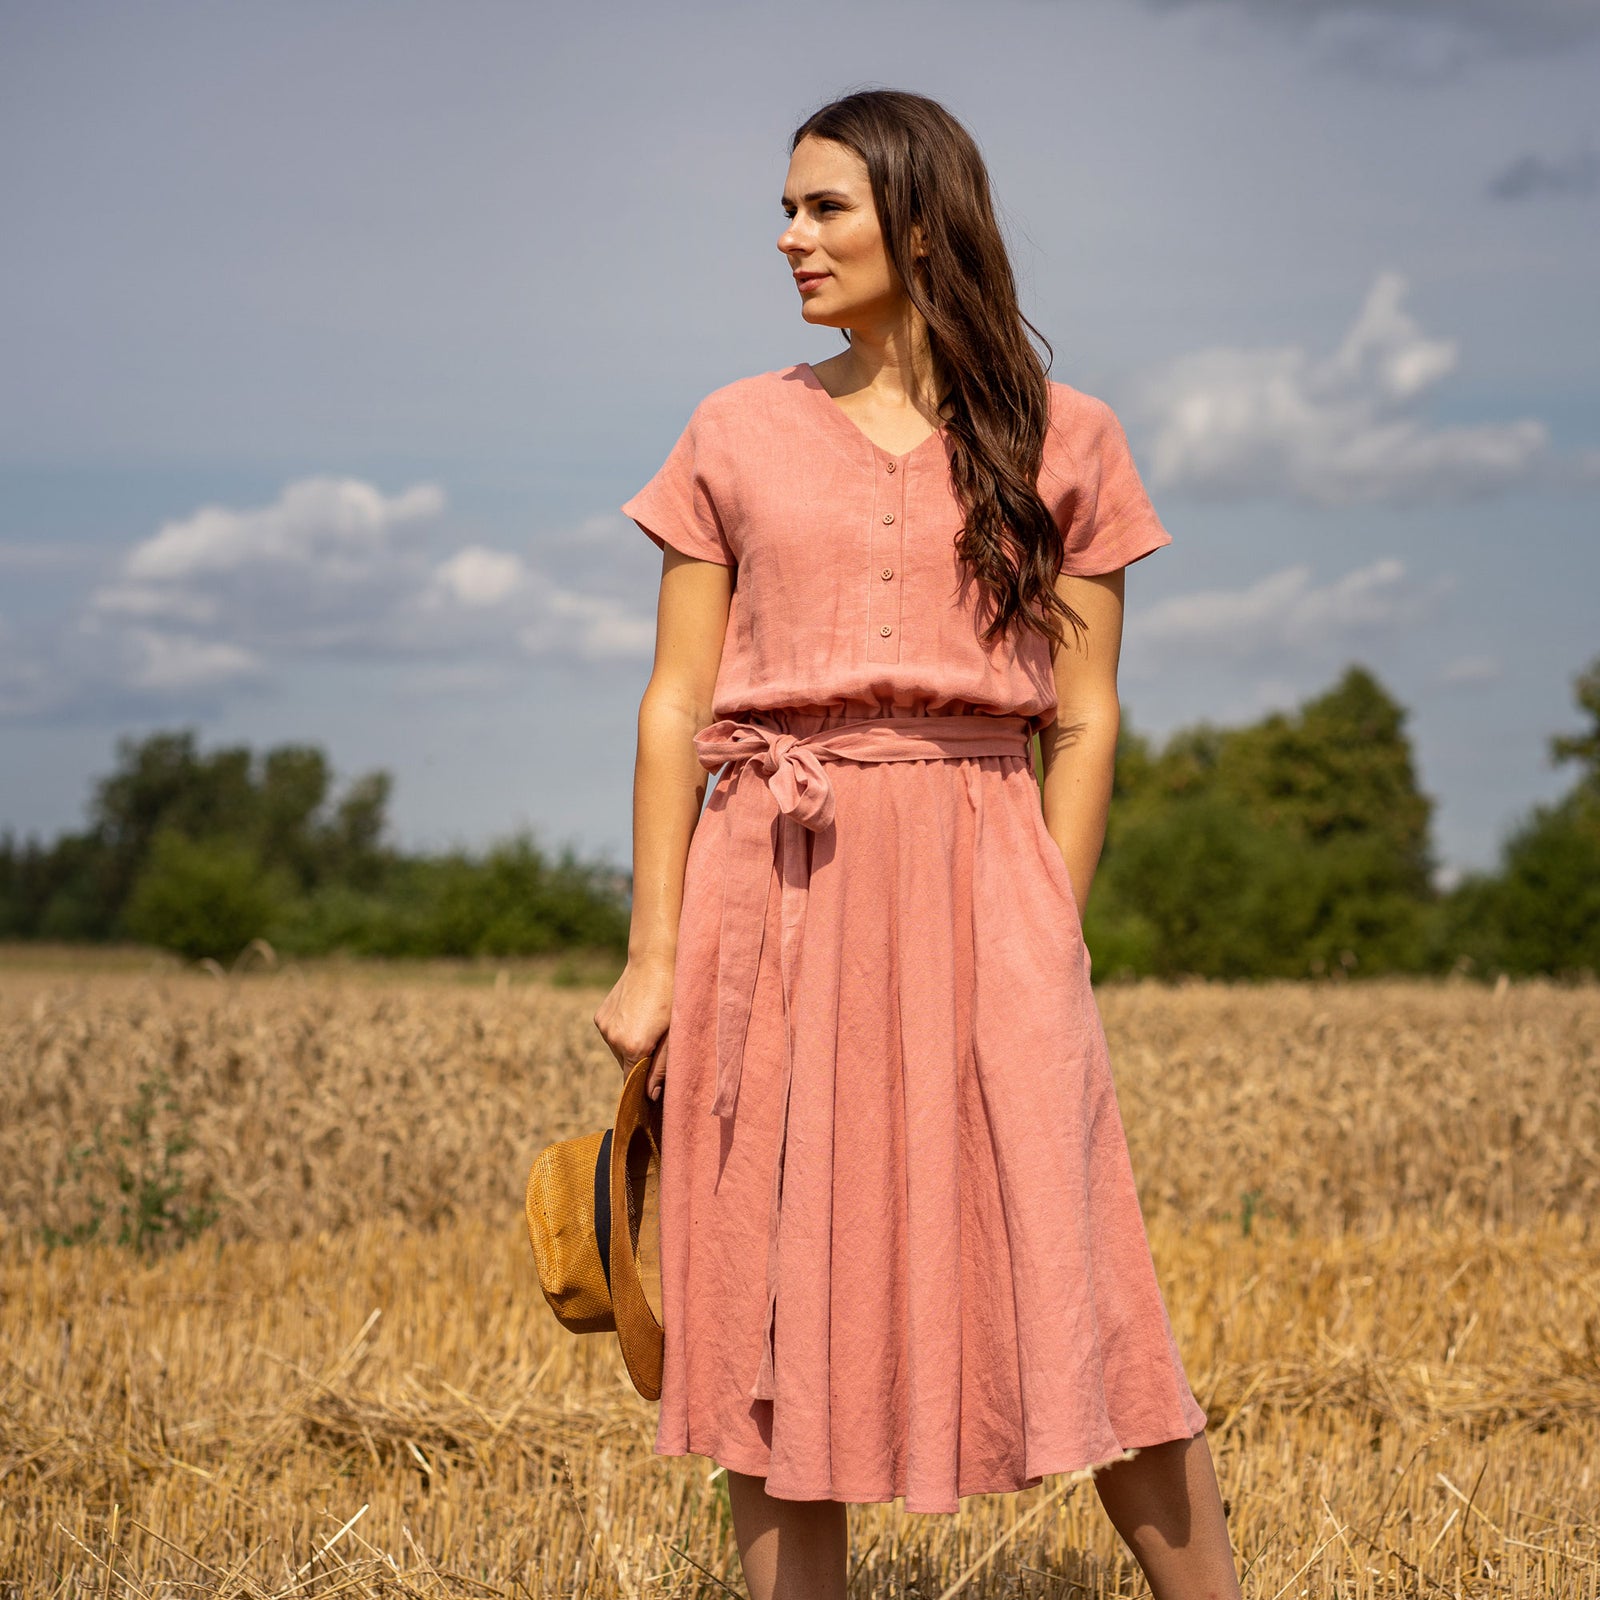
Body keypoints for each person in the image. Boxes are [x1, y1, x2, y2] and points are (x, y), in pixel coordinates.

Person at [594, 88, 1243, 1600]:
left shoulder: (1065, 437)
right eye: (786, 207)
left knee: (1086, 1287)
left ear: (924, 224)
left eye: (823, 207)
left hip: (984, 871)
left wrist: (1047, 929)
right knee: (761, 1308)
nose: (789, 236)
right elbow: (675, 704)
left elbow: (1082, 717)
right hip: (771, 881)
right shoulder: (734, 428)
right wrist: (653, 956)